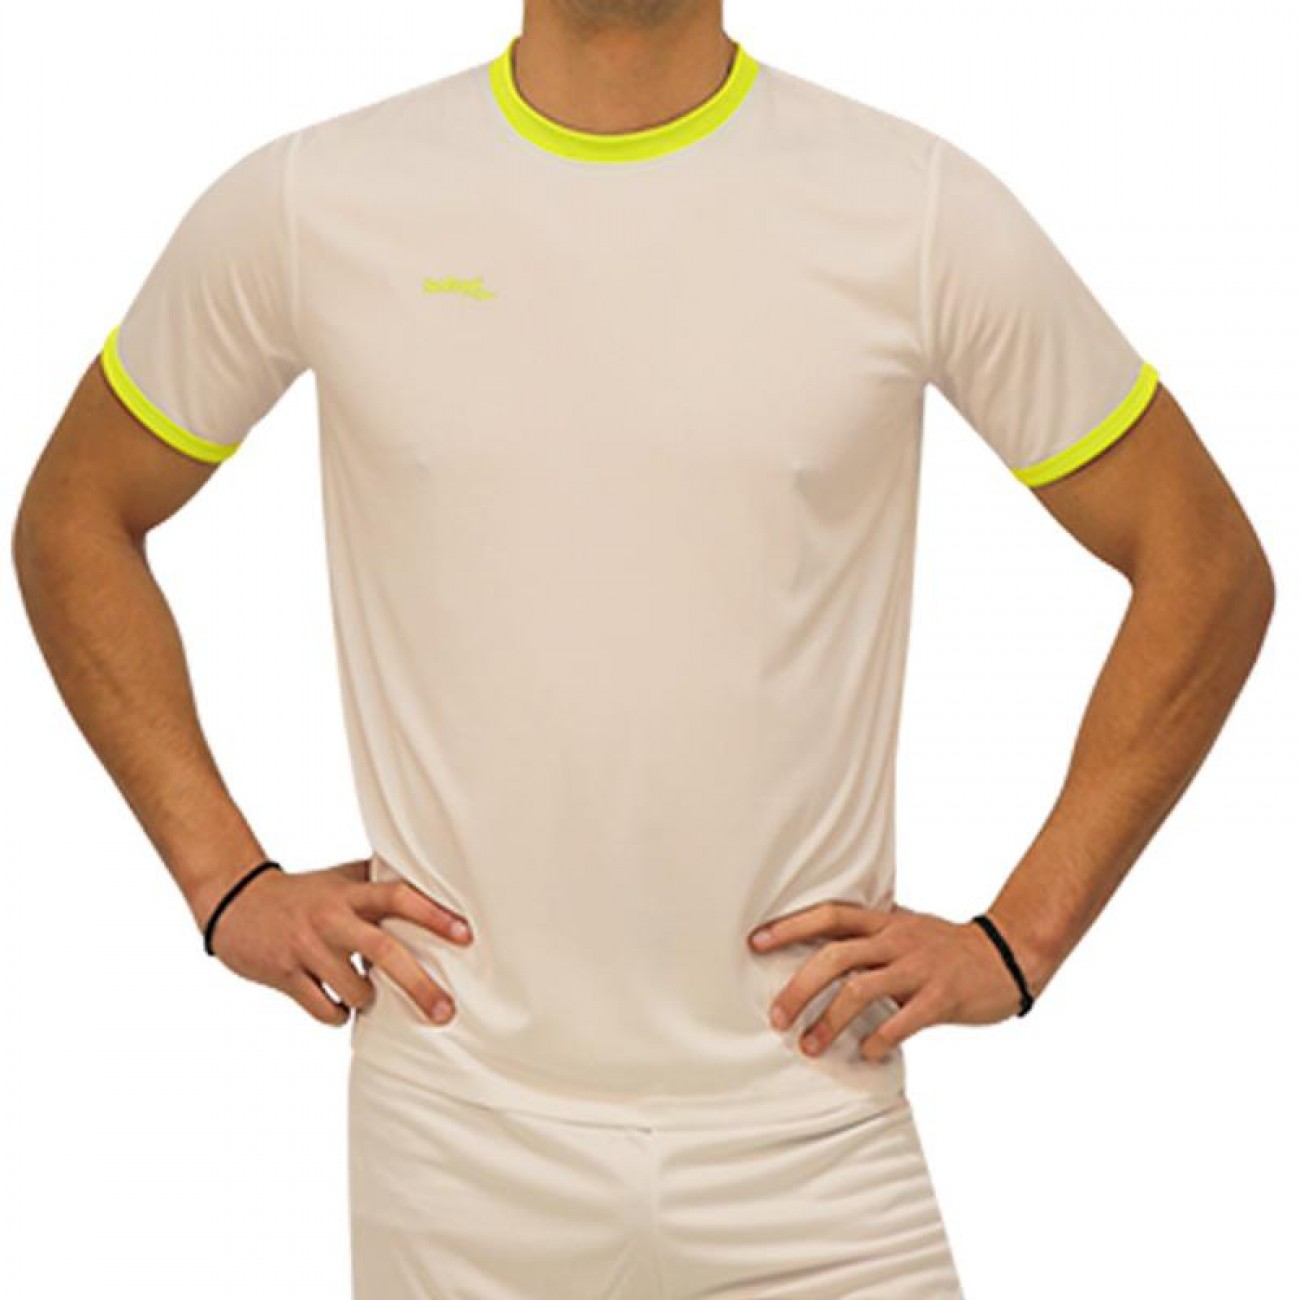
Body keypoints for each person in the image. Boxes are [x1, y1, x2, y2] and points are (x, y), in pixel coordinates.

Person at [12, 1, 1274, 1296]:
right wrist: (224, 881)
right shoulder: (313, 202)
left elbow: (1206, 564)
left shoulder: (915, 209)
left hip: (812, 1135)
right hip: (455, 1140)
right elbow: (73, 517)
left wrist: (1021, 938)